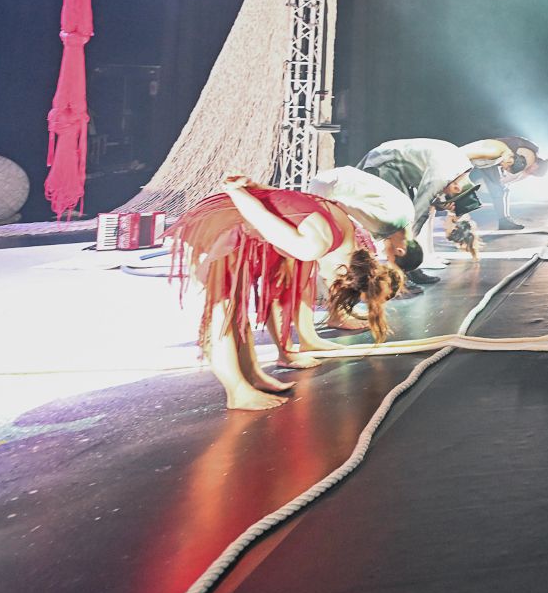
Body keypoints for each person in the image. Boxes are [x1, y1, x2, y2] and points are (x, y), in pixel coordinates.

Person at [169, 174, 402, 411]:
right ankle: (237, 391)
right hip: (227, 222)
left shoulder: (344, 234)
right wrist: (236, 190)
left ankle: (252, 374)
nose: (327, 286)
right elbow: (260, 216)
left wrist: (257, 187)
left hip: (242, 218)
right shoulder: (313, 247)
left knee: (236, 305)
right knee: (224, 309)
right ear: (344, 276)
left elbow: (293, 200)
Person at [356, 137, 486, 278]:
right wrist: (408, 241)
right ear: (456, 188)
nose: (443, 195)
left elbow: (431, 195)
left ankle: (409, 269)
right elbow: (420, 209)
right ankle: (400, 273)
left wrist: (439, 205)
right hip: (385, 163)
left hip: (398, 167)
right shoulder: (442, 176)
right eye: (448, 196)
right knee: (401, 217)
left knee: (406, 220)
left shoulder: (460, 169)